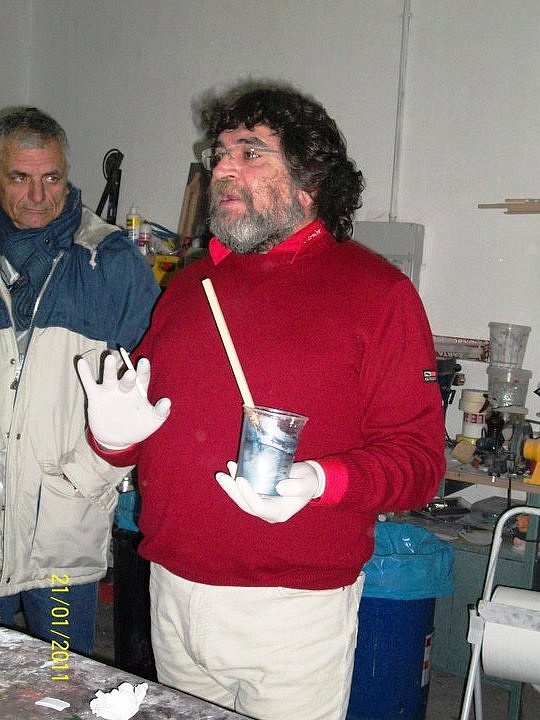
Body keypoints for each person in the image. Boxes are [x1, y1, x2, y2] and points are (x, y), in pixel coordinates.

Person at [78, 82, 446, 719]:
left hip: (291, 610)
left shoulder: (377, 293)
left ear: (309, 182)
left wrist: (320, 480)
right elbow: (140, 426)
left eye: (250, 153)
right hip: (170, 586)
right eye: (219, 154)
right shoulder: (191, 286)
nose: (223, 168)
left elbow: (419, 462)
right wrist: (111, 437)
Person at [0, 106, 160, 655]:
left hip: (63, 534)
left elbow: (150, 391)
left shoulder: (111, 263)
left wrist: (87, 479)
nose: (37, 195)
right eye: (19, 178)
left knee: (63, 679)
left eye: (51, 178)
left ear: (67, 175)